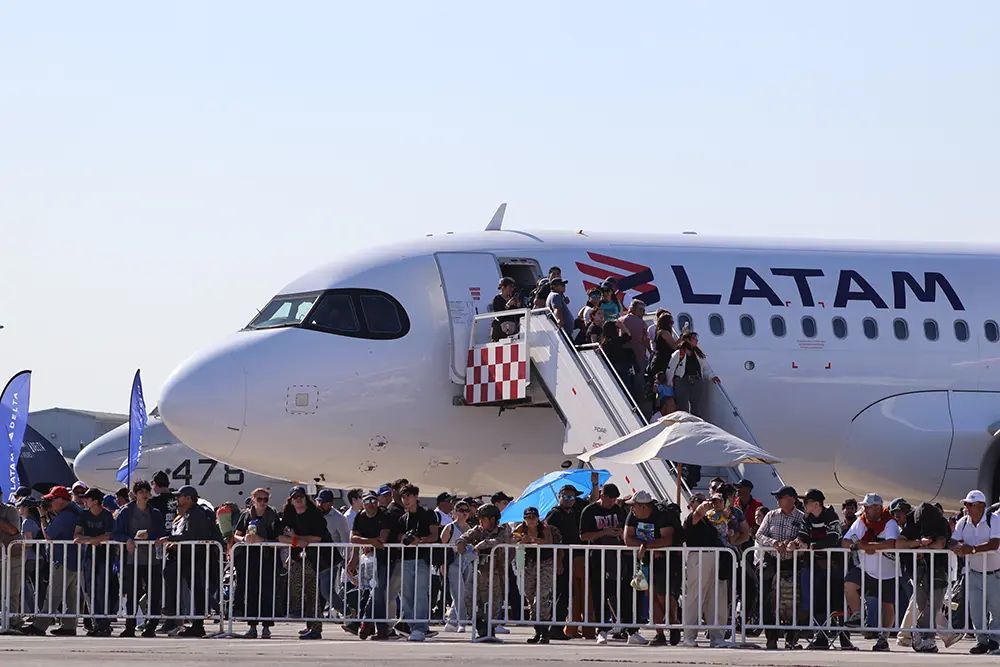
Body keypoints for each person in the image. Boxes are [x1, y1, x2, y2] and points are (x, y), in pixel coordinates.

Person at [789, 488, 854, 651]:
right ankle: (821, 637)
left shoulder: (831, 516)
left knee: (837, 601)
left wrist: (812, 546)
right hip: (815, 565)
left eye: (806, 502)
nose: (803, 505)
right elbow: (802, 535)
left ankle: (845, 639)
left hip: (834, 566)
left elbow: (834, 538)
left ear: (816, 504)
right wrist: (796, 543)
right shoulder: (807, 518)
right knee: (818, 601)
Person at [580, 483, 645, 645]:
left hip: (619, 558)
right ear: (602, 496)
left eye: (615, 500)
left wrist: (619, 532)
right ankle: (602, 631)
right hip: (598, 558)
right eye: (610, 500)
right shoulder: (589, 511)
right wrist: (604, 532)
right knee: (600, 594)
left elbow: (625, 528)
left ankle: (631, 631)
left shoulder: (617, 509)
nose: (612, 503)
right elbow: (583, 536)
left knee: (625, 593)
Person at [22, 486, 84, 637]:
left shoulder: (66, 515)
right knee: (71, 595)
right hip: (75, 558)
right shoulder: (74, 511)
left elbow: (48, 535)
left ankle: (39, 626)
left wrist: (42, 516)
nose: (50, 503)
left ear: (61, 500)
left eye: (52, 500)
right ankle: (69, 626)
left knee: (54, 593)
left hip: (64, 558)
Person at [842, 493, 898, 652]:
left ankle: (883, 638)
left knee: (888, 605)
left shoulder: (890, 522)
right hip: (865, 569)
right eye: (864, 507)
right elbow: (846, 540)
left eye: (868, 507)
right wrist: (861, 545)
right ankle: (858, 614)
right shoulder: (861, 521)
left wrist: (870, 546)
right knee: (849, 583)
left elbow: (891, 542)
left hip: (888, 571)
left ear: (878, 508)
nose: (865, 509)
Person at [624, 490, 680, 646]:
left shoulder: (661, 515)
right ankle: (660, 634)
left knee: (664, 596)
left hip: (665, 561)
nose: (631, 509)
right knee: (651, 597)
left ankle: (673, 624)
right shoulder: (633, 516)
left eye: (634, 506)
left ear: (643, 506)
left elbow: (667, 539)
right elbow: (627, 538)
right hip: (647, 562)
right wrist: (649, 547)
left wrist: (646, 546)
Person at [158, 485, 215, 637]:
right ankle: (181, 614)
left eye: (180, 496)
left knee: (194, 587)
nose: (177, 499)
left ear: (188, 498)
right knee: (188, 584)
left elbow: (189, 535)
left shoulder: (196, 514)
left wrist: (170, 539)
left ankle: (194, 621)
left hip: (194, 557)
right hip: (188, 556)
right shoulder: (189, 513)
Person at [896, 501, 953, 653]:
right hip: (919, 572)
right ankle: (928, 639)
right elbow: (899, 543)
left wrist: (923, 548)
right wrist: (919, 543)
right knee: (922, 605)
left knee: (934, 604)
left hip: (939, 570)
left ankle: (921, 632)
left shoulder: (940, 523)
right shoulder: (913, 524)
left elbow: (940, 544)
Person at [112, 478, 166, 637]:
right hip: (132, 559)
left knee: (154, 594)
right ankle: (130, 625)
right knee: (132, 593)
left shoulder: (155, 513)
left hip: (152, 560)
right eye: (141, 492)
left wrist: (151, 536)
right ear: (135, 494)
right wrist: (127, 539)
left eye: (146, 492)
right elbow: (117, 532)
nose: (144, 495)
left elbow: (161, 532)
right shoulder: (125, 512)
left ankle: (151, 626)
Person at [754, 485, 806, 650]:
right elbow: (759, 535)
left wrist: (795, 543)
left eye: (781, 497)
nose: (777, 500)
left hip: (793, 563)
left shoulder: (803, 517)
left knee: (794, 601)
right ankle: (771, 637)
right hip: (773, 562)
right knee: (768, 600)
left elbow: (806, 536)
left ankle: (792, 638)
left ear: (792, 499)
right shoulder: (770, 515)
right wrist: (774, 543)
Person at [278, 485, 332, 640]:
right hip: (299, 555)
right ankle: (312, 625)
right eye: (295, 497)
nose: (299, 499)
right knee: (308, 591)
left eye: (301, 496)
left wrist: (297, 538)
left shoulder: (314, 514)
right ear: (291, 500)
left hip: (317, 557)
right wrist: (296, 540)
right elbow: (281, 536)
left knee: (311, 591)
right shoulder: (289, 514)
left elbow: (317, 538)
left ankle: (313, 626)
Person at [949, 489, 1000, 654]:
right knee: (976, 609)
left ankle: (995, 639)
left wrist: (971, 550)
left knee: (996, 608)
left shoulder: (995, 520)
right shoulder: (963, 522)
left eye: (971, 505)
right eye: (966, 504)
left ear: (982, 506)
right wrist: (956, 547)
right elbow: (952, 541)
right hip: (974, 572)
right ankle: (982, 641)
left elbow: (995, 544)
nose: (967, 508)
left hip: (995, 572)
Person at [455, 503, 513, 642]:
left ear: (492, 519)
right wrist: (461, 542)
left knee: (493, 602)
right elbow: (463, 537)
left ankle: (490, 630)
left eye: (483, 519)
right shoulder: (478, 530)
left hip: (496, 572)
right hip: (479, 570)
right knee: (469, 597)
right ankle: (479, 625)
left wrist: (483, 544)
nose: (480, 522)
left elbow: (500, 541)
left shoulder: (502, 530)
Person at [545, 484, 594, 641]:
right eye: (565, 497)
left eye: (572, 497)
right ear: (559, 497)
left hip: (573, 558)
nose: (569, 500)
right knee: (561, 593)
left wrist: (594, 485)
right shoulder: (554, 515)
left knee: (567, 593)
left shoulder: (575, 511)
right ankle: (555, 627)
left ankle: (558, 627)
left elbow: (592, 503)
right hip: (561, 559)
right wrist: (558, 561)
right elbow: (553, 540)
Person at [232, 487, 282, 639]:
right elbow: (236, 535)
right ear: (253, 500)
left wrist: (262, 540)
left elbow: (278, 538)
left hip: (268, 557)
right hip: (250, 557)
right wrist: (244, 539)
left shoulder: (273, 516)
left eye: (265, 499)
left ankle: (266, 627)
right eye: (259, 499)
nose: (262, 503)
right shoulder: (246, 516)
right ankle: (252, 626)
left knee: (267, 592)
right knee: (251, 591)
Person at [680, 494, 729, 648]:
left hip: (715, 557)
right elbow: (697, 514)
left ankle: (717, 637)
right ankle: (689, 636)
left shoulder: (710, 520)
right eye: (698, 500)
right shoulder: (690, 519)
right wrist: (704, 505)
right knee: (695, 597)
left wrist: (719, 506)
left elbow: (724, 528)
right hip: (699, 557)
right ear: (691, 504)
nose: (704, 503)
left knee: (715, 599)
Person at [396, 483, 440, 642]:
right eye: (403, 496)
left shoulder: (428, 514)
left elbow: (435, 535)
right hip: (406, 559)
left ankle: (420, 627)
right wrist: (405, 539)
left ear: (416, 497)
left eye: (408, 496)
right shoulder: (403, 518)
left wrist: (420, 541)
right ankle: (410, 626)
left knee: (420, 593)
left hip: (423, 559)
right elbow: (399, 537)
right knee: (406, 594)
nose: (405, 500)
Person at [512, 506, 560, 644]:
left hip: (545, 563)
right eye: (528, 517)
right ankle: (537, 631)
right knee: (530, 596)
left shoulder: (544, 528)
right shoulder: (521, 529)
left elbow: (549, 542)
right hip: (529, 564)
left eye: (533, 517)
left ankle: (545, 632)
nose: (531, 520)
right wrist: (523, 540)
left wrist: (538, 541)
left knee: (542, 597)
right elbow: (514, 540)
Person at [349, 490, 392, 640]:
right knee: (370, 592)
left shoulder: (384, 515)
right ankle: (380, 629)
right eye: (367, 501)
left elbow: (382, 540)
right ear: (362, 503)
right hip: (367, 560)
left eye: (374, 501)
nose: (371, 504)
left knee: (377, 592)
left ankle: (366, 622)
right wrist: (370, 542)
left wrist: (371, 542)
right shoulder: (360, 516)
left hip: (385, 559)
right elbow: (353, 538)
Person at [74, 487, 115, 637]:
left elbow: (109, 535)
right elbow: (76, 536)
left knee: (102, 589)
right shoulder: (83, 514)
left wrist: (93, 540)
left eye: (88, 498)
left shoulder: (106, 515)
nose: (84, 501)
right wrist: (92, 541)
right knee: (90, 590)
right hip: (89, 556)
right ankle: (96, 623)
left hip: (105, 556)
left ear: (95, 501)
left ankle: (104, 624)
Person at [441, 499, 475, 633]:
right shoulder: (449, 527)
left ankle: (452, 622)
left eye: (467, 510)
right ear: (455, 512)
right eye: (461, 510)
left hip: (467, 561)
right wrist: (443, 564)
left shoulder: (471, 528)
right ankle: (462, 621)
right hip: (453, 561)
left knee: (464, 591)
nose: (464, 513)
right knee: (457, 591)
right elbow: (443, 548)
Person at [667, 331, 720, 417]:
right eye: (694, 339)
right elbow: (671, 369)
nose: (696, 340)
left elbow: (705, 368)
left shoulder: (697, 353)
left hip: (696, 380)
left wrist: (712, 377)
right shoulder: (679, 353)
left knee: (696, 405)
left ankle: (695, 423)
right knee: (682, 405)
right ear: (687, 340)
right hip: (682, 381)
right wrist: (670, 383)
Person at [618, 299, 649, 401]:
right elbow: (645, 340)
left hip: (622, 357)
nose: (642, 313)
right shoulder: (641, 323)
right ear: (632, 309)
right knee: (638, 385)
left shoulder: (620, 320)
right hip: (638, 357)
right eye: (640, 310)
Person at [491, 277, 522, 341]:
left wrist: (518, 306)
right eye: (510, 287)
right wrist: (508, 305)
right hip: (500, 331)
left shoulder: (512, 299)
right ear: (503, 287)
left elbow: (518, 315)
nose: (511, 289)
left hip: (513, 330)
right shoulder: (497, 299)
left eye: (513, 287)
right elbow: (498, 313)